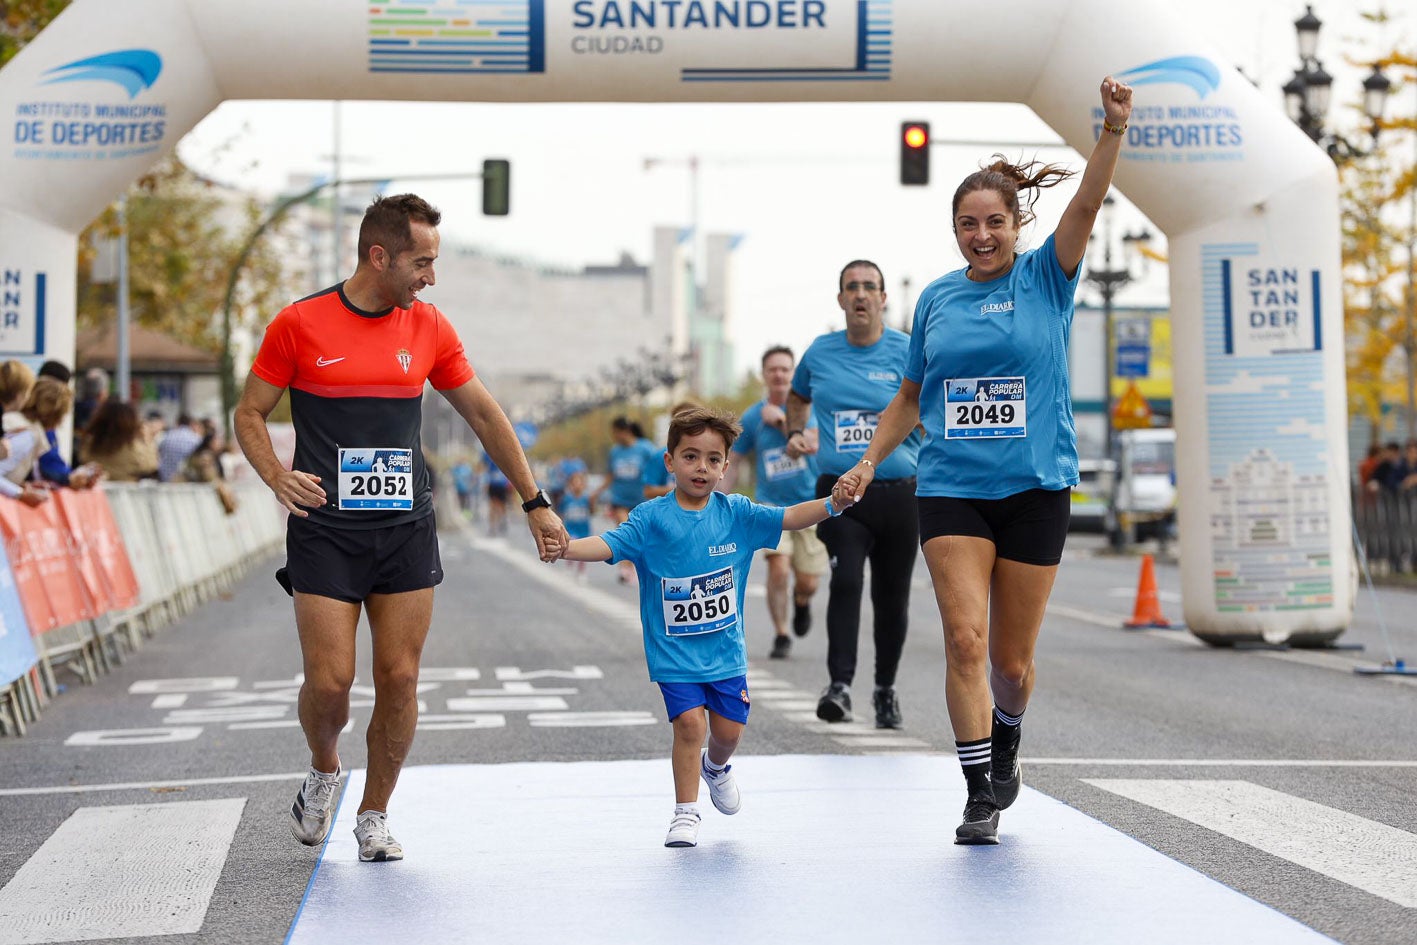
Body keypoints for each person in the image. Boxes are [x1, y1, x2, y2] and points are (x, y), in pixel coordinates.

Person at [831, 77, 1135, 845]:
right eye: (967, 224)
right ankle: (975, 790)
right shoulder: (934, 299)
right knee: (963, 639)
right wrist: (869, 460)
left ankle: (1006, 735)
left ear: (1014, 223)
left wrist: (1110, 131)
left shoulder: (1046, 276)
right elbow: (908, 396)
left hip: (1034, 488)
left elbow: (1088, 206)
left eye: (993, 222)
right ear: (954, 230)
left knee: (1010, 664)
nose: (980, 236)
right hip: (952, 488)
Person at [234, 192, 567, 863]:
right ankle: (324, 765)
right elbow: (248, 412)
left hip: (405, 528)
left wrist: (534, 499)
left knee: (401, 677)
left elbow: (482, 413)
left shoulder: (429, 328)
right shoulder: (299, 324)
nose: (430, 277)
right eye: (421, 262)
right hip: (325, 530)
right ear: (378, 255)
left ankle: (374, 813)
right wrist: (275, 474)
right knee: (329, 683)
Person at [556, 406, 853, 848]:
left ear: (726, 467)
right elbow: (609, 544)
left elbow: (790, 517)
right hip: (674, 654)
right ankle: (685, 812)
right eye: (691, 456)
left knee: (728, 732)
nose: (702, 467)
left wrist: (833, 503)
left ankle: (715, 768)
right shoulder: (651, 518)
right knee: (690, 726)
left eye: (713, 460)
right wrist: (565, 549)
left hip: (725, 653)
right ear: (670, 462)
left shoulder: (738, 514)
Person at [785, 260, 921, 729]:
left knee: (892, 597)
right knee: (845, 583)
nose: (861, 295)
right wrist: (796, 430)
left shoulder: (908, 350)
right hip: (840, 495)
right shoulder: (820, 353)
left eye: (870, 287)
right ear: (841, 299)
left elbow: (935, 402)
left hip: (900, 494)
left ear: (883, 298)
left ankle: (885, 690)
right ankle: (839, 686)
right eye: (852, 288)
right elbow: (797, 397)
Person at [722, 346, 826, 660]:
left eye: (785, 369)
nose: (779, 375)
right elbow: (733, 460)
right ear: (765, 375)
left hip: (810, 506)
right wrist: (717, 501)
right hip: (771, 508)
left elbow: (812, 445)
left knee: (808, 581)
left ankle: (802, 601)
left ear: (793, 374)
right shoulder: (753, 416)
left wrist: (781, 421)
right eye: (773, 370)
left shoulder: (811, 408)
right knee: (778, 569)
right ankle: (781, 633)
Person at [595, 416, 657, 584]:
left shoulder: (646, 449)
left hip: (642, 501)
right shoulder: (615, 451)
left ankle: (638, 567)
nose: (614, 436)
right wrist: (596, 493)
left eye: (615, 432)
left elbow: (657, 469)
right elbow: (610, 475)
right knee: (626, 533)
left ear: (625, 431)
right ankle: (625, 569)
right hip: (620, 499)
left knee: (641, 537)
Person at [34, 360, 100, 490]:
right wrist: (71, 477)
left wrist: (75, 475)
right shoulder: (35, 429)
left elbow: (52, 461)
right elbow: (49, 464)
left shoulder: (42, 427)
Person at [82, 400, 161, 482]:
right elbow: (151, 465)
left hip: (98, 489)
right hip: (126, 489)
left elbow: (83, 459)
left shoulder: (91, 442)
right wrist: (147, 440)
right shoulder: (131, 446)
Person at [557, 469, 593, 582]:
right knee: (570, 547)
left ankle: (582, 571)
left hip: (583, 529)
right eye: (574, 483)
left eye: (580, 483)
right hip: (570, 528)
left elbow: (592, 511)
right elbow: (560, 512)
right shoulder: (566, 499)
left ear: (583, 485)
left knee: (584, 552)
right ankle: (569, 567)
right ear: (570, 485)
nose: (577, 486)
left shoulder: (587, 498)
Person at [157, 414, 204, 482]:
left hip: (165, 478)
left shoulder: (166, 437)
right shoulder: (196, 439)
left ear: (177, 423)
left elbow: (159, 454)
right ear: (190, 424)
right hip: (187, 480)